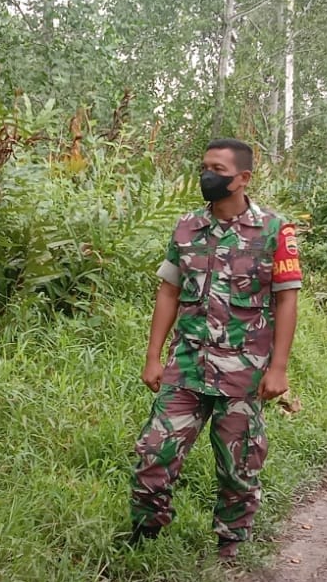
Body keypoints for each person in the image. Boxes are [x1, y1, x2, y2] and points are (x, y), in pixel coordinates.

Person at [128, 139, 302, 559]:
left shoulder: (275, 230)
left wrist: (278, 368)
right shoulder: (187, 227)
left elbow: (286, 299)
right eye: (204, 167)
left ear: (243, 178)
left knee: (239, 464)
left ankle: (231, 540)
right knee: (154, 451)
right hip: (187, 365)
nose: (207, 175)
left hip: (244, 370)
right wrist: (153, 357)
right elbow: (169, 292)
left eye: (218, 169)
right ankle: (145, 534)